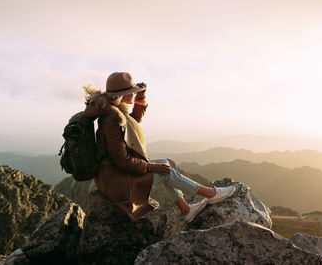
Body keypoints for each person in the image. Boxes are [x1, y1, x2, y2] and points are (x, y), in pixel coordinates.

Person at [84, 72, 235, 223]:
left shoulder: (115, 111)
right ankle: (210, 194)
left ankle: (186, 209)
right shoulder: (111, 120)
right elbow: (123, 161)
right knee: (165, 172)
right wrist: (151, 167)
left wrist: (141, 97)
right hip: (117, 181)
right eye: (132, 92)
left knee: (164, 164)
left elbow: (133, 121)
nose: (134, 93)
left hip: (118, 174)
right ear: (123, 94)